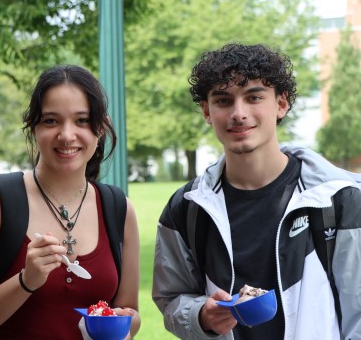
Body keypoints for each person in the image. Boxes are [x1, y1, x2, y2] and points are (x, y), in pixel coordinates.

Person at [152, 43, 361, 339]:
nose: (239, 113)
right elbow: (171, 298)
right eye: (223, 101)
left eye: (253, 97)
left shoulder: (340, 198)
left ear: (281, 104)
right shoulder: (186, 208)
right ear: (206, 111)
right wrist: (201, 315)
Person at [0, 65, 141, 339]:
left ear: (100, 128)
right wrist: (25, 281)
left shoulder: (119, 209)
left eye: (81, 121)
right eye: (51, 121)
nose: (67, 135)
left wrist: (122, 324)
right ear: (33, 126)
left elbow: (130, 311)